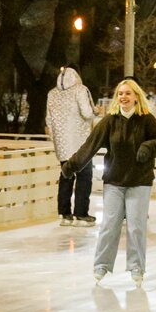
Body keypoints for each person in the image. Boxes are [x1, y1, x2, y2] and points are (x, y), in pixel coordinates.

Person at [61, 78, 156, 288]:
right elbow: (90, 145)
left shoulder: (146, 120)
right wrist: (72, 165)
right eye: (120, 93)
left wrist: (148, 147)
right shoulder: (110, 121)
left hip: (140, 181)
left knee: (136, 227)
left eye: (128, 93)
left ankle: (137, 266)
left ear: (136, 96)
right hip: (115, 182)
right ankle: (102, 264)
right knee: (110, 226)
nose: (123, 97)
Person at [45, 66, 97, 226]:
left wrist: (57, 139)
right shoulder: (80, 90)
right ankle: (81, 214)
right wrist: (96, 110)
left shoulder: (51, 93)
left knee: (66, 176)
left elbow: (48, 120)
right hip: (80, 142)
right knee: (84, 176)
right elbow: (87, 113)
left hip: (62, 144)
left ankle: (64, 214)